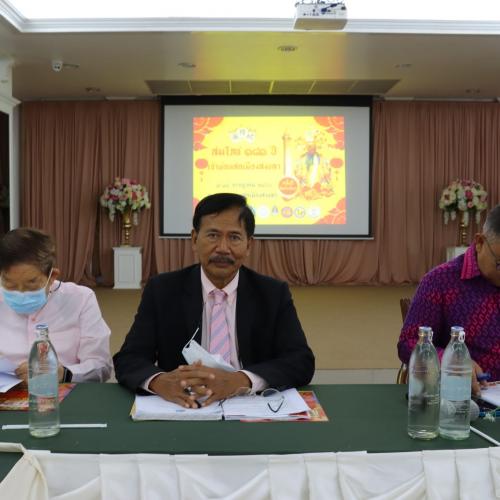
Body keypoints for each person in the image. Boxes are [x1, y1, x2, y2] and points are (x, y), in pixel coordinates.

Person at [114, 193, 315, 408]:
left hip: (249, 406)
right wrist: (160, 382)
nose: (222, 248)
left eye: (234, 237)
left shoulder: (272, 293)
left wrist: (241, 380)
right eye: (213, 235)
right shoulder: (163, 290)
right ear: (194, 239)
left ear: (249, 245)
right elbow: (129, 358)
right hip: (184, 407)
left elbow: (300, 360)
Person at [398, 204, 500, 396]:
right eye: (499, 264)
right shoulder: (440, 281)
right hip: (466, 400)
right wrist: (452, 362)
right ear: (480, 242)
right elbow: (408, 343)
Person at [0, 228, 113, 384]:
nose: (21, 293)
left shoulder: (80, 299)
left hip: (61, 390)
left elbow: (101, 366)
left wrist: (63, 373)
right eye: (10, 284)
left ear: (52, 276)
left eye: (31, 284)